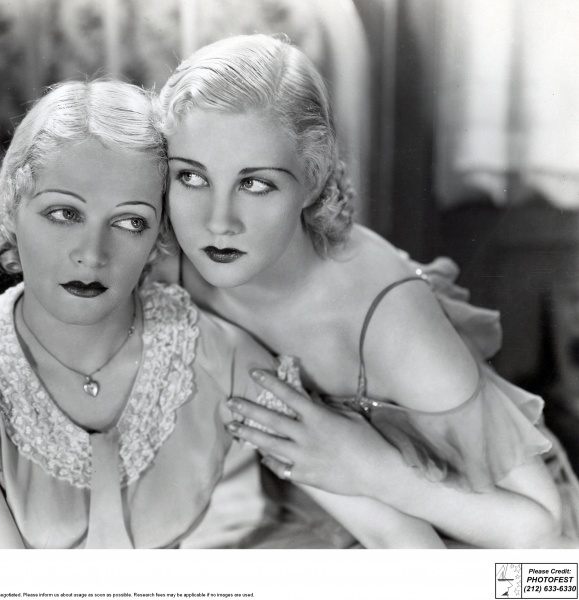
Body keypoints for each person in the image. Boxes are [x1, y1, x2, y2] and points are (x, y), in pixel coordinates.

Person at [157, 34, 579, 548]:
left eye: (255, 184)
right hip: (308, 506)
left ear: (312, 180)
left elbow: (540, 528)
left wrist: (374, 469)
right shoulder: (164, 264)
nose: (218, 222)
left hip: (464, 518)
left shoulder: (386, 316)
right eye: (192, 178)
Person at [0, 80, 278, 549]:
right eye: (64, 214)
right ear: (11, 209)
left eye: (130, 222)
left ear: (159, 234)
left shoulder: (217, 355)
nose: (93, 254)